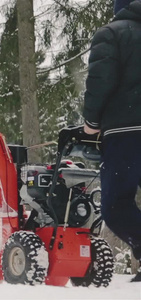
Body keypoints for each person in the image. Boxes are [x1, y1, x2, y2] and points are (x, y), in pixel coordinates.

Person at [83, 0, 141, 282]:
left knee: (116, 204)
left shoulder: (112, 33)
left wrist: (91, 123)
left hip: (127, 131)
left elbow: (100, 80)